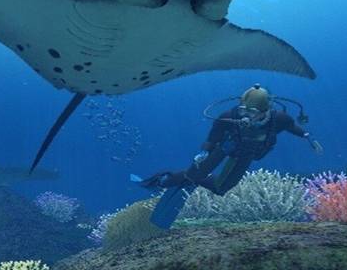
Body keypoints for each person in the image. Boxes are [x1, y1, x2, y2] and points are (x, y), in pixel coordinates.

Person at [137, 83, 322, 196]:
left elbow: (292, 128)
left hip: (247, 155)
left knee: (221, 189)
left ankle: (195, 179)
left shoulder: (279, 119)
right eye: (243, 111)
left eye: (252, 112)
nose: (246, 116)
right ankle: (163, 181)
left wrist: (308, 137)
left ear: (265, 110)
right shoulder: (228, 116)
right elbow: (213, 137)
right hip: (225, 148)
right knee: (193, 174)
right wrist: (203, 152)